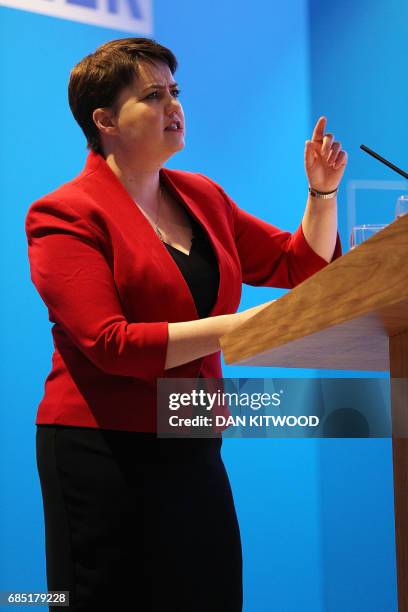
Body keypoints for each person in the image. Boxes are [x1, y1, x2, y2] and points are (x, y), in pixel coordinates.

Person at [25, 37, 347, 612]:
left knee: (210, 594)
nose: (174, 105)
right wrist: (239, 326)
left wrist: (321, 193)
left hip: (191, 433)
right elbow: (110, 344)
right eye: (152, 95)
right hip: (102, 445)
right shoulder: (65, 213)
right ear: (105, 121)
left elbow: (300, 266)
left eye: (175, 91)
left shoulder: (203, 196)